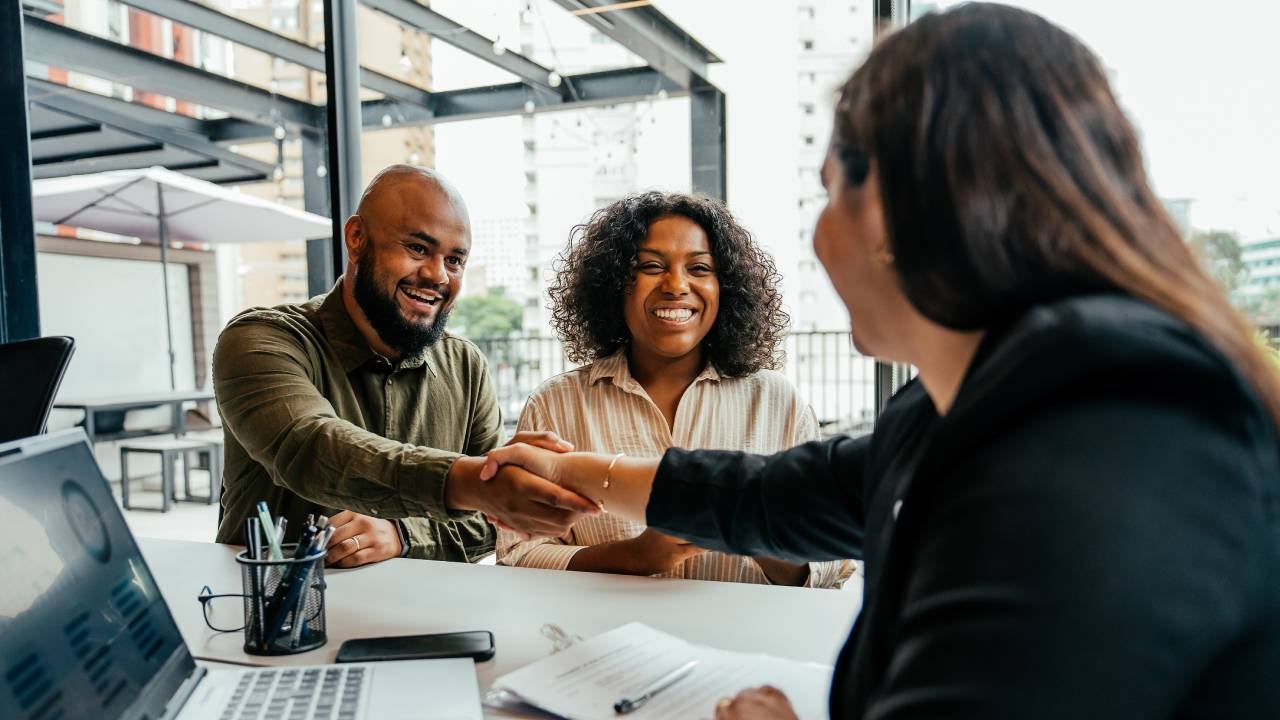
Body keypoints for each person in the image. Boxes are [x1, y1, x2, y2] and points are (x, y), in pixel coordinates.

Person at [479, 5, 1280, 718]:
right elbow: (787, 491)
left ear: (901, 209)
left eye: (830, 190)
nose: (821, 236)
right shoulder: (967, 399)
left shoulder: (1104, 437)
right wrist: (584, 473)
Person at [213, 165, 598, 568]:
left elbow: (496, 523)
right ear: (357, 238)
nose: (437, 275)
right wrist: (472, 484)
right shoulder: (262, 339)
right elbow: (312, 449)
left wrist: (405, 534)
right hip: (281, 614)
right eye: (417, 248)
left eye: (454, 260)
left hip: (426, 619)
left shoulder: (466, 365)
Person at [498, 192, 851, 587]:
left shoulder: (777, 402)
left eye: (700, 268)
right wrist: (632, 558)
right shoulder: (555, 404)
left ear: (726, 288)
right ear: (614, 284)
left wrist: (750, 525)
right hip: (599, 640)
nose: (676, 285)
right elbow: (518, 554)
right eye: (650, 266)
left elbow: (830, 565)